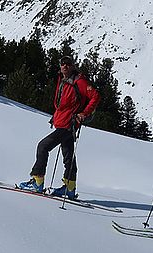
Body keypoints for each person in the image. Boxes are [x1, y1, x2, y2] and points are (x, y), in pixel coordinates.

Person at [18, 55, 100, 199]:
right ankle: (69, 188)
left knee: (43, 147)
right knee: (68, 155)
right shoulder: (63, 79)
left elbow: (95, 96)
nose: (65, 66)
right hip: (63, 122)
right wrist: (56, 117)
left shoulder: (79, 81)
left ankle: (38, 182)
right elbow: (62, 104)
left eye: (68, 64)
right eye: (63, 64)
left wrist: (83, 114)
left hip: (69, 124)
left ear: (73, 66)